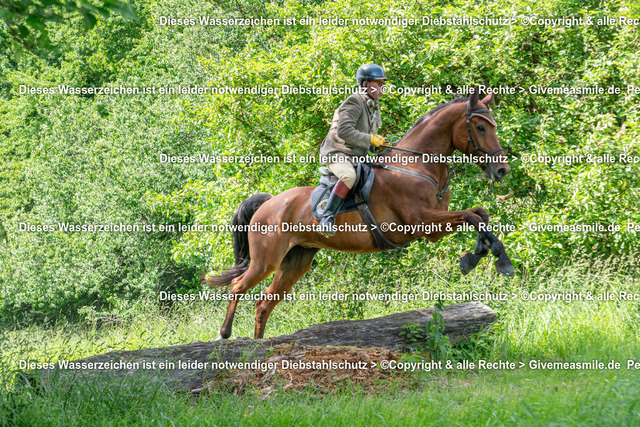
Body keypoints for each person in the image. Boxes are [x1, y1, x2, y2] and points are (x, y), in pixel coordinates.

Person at [317, 63, 387, 237]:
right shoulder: (354, 101)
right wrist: (370, 139)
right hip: (337, 153)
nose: (382, 88)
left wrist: (380, 145)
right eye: (378, 83)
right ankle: (327, 217)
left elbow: (367, 141)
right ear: (365, 85)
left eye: (383, 84)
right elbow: (345, 131)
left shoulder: (374, 108)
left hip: (356, 156)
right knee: (349, 176)